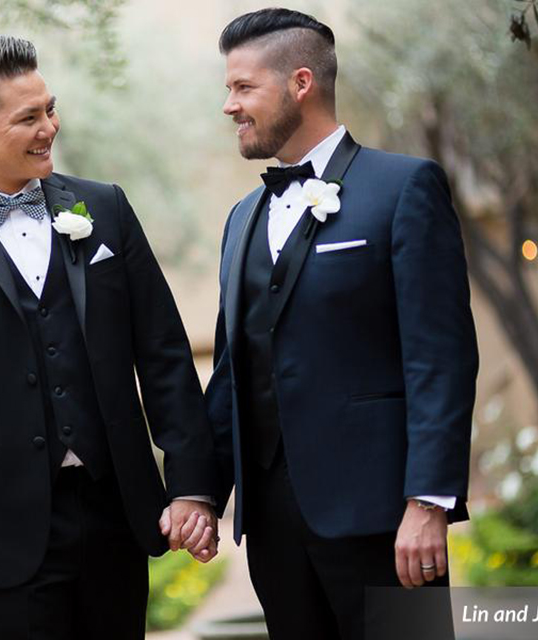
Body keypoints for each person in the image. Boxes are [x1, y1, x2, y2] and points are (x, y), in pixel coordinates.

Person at [0, 35, 219, 640]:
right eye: (28, 118)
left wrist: (192, 486)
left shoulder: (106, 208)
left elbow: (164, 354)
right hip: (7, 529)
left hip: (116, 511)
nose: (50, 127)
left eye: (50, 109)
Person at [206, 8, 478, 639]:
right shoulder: (241, 219)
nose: (230, 106)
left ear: (301, 83)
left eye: (243, 87)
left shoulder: (404, 188)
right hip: (274, 535)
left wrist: (428, 501)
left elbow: (440, 357)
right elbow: (230, 375)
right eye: (228, 89)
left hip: (386, 522)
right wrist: (197, 493)